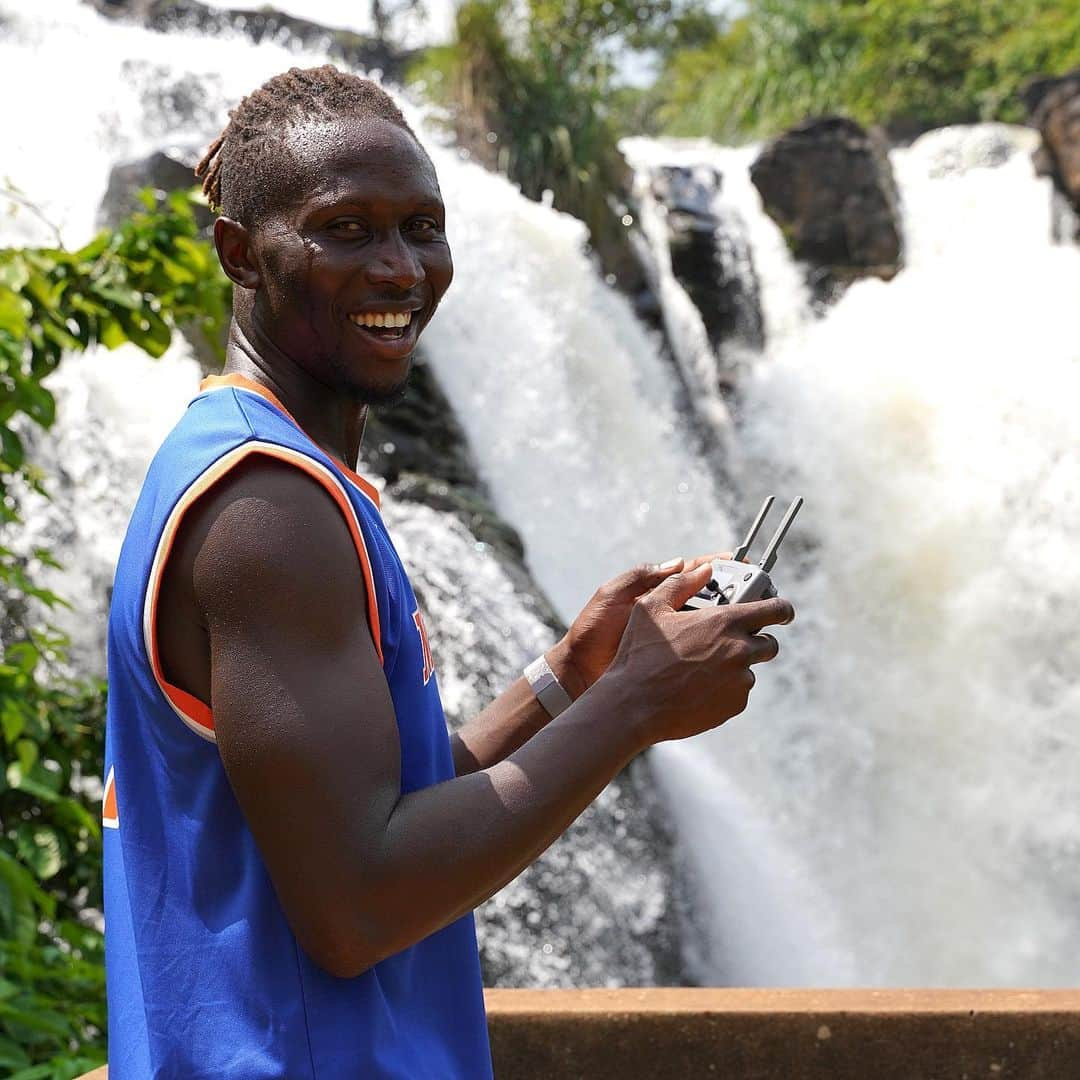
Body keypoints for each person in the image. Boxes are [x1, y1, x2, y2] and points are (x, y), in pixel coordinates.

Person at [101, 65, 794, 1079]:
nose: (401, 268)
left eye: (422, 227)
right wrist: (639, 704)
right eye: (348, 229)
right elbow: (357, 903)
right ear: (240, 253)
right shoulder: (265, 512)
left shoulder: (281, 473)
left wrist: (570, 679)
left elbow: (377, 811)